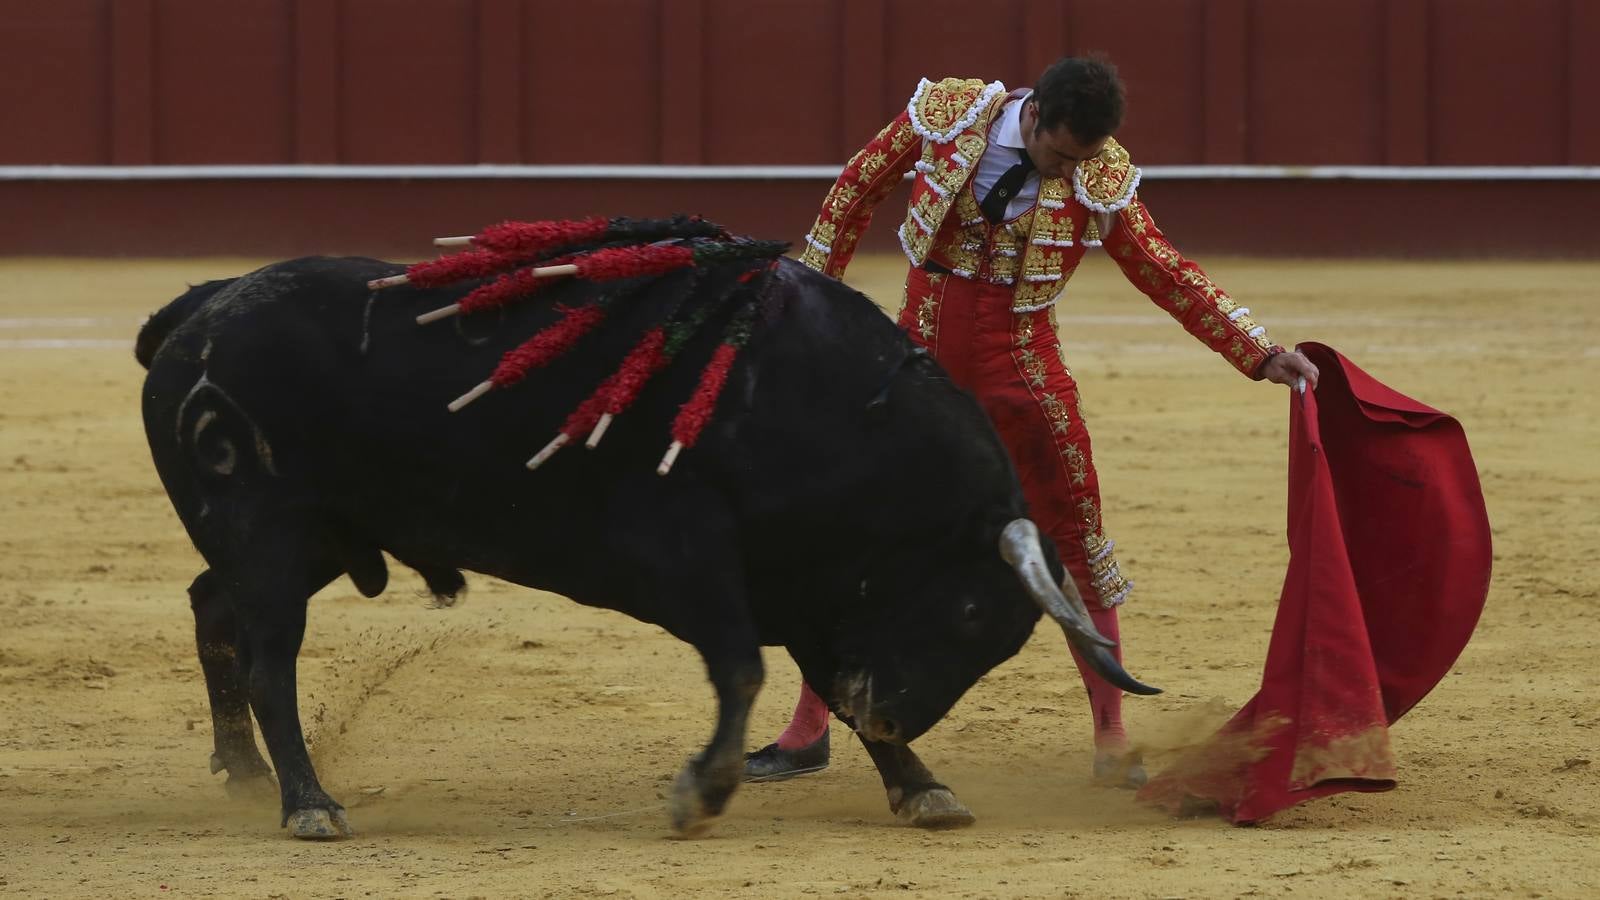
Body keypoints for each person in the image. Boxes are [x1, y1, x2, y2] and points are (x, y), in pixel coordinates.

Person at [743, 56, 1321, 788]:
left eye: (1081, 160)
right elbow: (855, 190)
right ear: (1036, 114)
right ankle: (808, 731)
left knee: (1076, 541)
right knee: (852, 537)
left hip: (1021, 374)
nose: (1068, 171)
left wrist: (1257, 351)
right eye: (1059, 155)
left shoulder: (1100, 174)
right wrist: (803, 301)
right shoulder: (950, 115)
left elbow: (1163, 268)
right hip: (912, 367)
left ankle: (1111, 738)